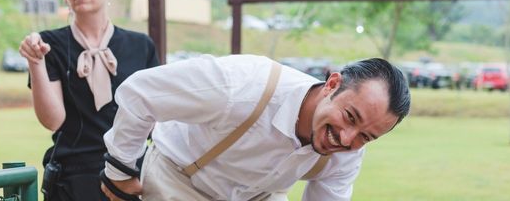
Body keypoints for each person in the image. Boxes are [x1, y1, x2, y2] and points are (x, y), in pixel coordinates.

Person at [101, 54, 410, 201]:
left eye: (366, 137)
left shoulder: (349, 149)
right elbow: (140, 93)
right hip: (179, 180)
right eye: (350, 116)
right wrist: (119, 174)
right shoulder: (241, 84)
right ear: (332, 84)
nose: (346, 138)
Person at [18, 0, 159, 201]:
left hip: (130, 178)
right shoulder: (49, 44)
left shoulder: (141, 46)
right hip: (72, 179)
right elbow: (53, 120)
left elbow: (155, 123)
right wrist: (35, 63)